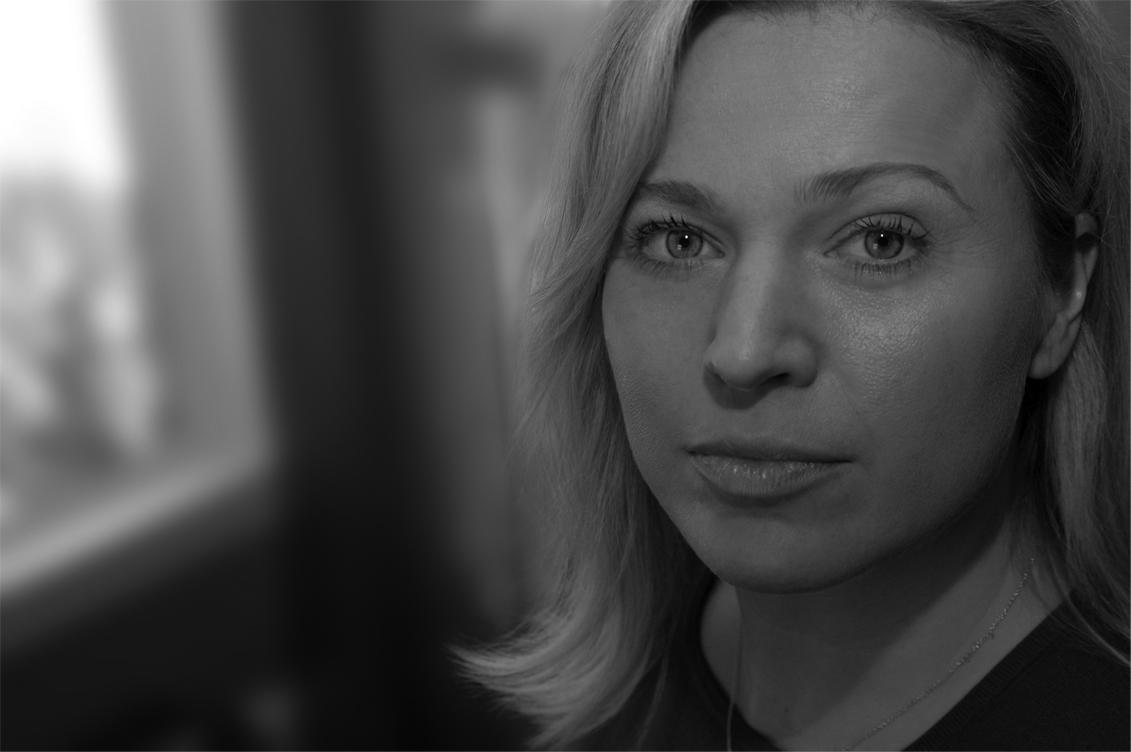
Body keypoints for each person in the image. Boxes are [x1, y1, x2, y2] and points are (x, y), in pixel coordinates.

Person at [462, 1, 1130, 749]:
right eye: (679, 240)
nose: (743, 351)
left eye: (879, 242)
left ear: (1062, 289)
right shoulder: (602, 706)